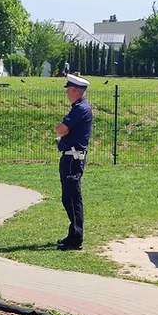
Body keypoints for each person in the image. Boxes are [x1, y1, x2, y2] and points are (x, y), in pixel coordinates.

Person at [55, 74, 92, 250]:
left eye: (69, 89)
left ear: (76, 90)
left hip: (73, 158)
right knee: (69, 198)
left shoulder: (79, 109)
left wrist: (61, 132)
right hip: (71, 157)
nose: (67, 92)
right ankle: (73, 234)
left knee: (72, 198)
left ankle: (76, 238)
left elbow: (62, 129)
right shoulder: (79, 107)